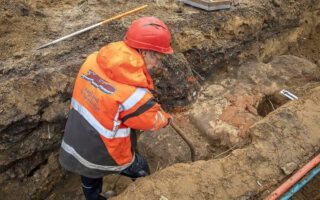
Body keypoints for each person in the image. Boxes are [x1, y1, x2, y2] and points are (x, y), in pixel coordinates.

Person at [59, 16, 173, 200]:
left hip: (76, 137)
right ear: (144, 52)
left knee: (89, 175)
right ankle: (143, 193)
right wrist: (166, 118)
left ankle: (94, 197)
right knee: (141, 168)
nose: (157, 64)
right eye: (157, 57)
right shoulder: (132, 94)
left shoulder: (93, 60)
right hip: (103, 149)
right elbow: (151, 121)